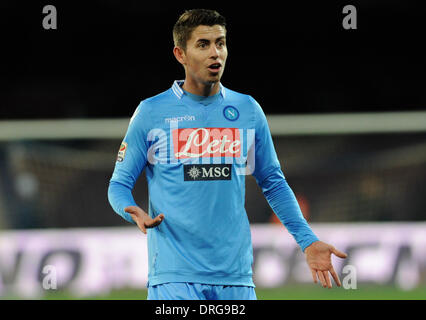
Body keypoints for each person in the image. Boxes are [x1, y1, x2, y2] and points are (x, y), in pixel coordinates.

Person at [108, 8, 347, 300]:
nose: (215, 53)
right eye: (203, 44)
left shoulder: (247, 109)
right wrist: (130, 209)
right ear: (180, 54)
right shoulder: (151, 113)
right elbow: (119, 185)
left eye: (220, 43)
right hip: (174, 277)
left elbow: (273, 182)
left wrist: (307, 241)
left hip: (236, 277)